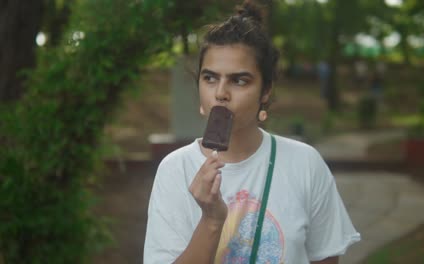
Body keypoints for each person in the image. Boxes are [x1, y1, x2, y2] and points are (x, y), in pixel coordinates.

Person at [144, 1, 360, 263]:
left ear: (266, 90)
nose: (221, 93)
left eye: (239, 80)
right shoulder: (175, 170)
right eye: (210, 78)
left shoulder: (305, 164)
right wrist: (211, 220)